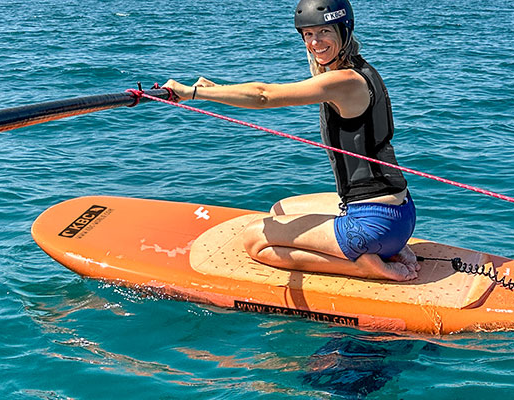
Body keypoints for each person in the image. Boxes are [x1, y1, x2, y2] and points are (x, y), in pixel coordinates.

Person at [163, 0, 419, 281]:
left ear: (343, 31)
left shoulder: (344, 82)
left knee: (256, 241)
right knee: (280, 211)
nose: (315, 42)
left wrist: (190, 93)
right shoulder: (362, 71)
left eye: (324, 32)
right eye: (308, 34)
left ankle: (364, 265)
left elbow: (264, 95)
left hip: (375, 225)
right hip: (400, 212)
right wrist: (219, 89)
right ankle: (387, 247)